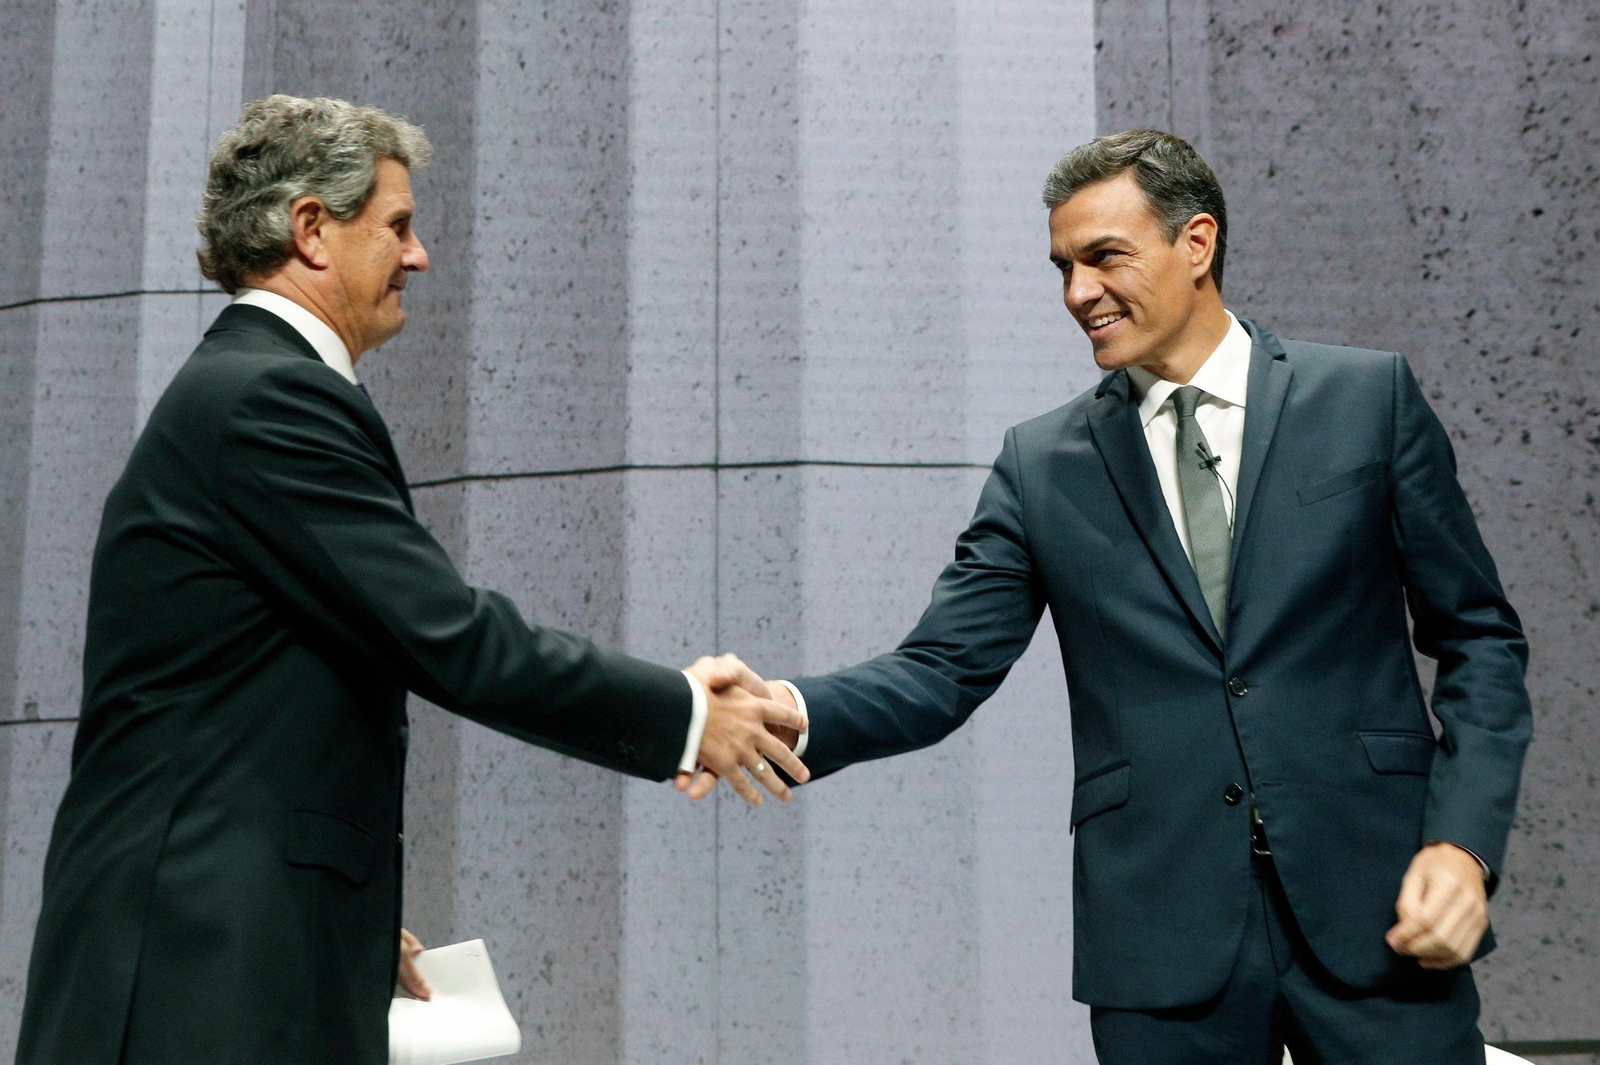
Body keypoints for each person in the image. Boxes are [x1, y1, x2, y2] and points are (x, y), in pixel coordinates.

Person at [15, 95, 808, 1065]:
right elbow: (450, 636)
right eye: (397, 225)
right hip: (196, 962)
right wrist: (686, 715)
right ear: (311, 229)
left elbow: (239, 707)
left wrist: (342, 918)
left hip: (221, 939)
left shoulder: (242, 389)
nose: (419, 255)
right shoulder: (271, 398)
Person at [743, 130, 1531, 1063]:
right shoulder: (1042, 465)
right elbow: (941, 668)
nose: (1078, 293)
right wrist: (787, 710)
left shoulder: (1368, 398)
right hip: (1162, 946)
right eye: (1063, 267)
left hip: (1380, 910)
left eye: (1104, 257)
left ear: (1196, 245)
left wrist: (1462, 845)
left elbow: (1480, 638)